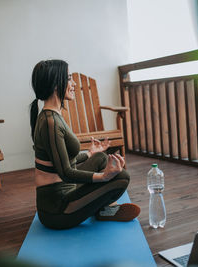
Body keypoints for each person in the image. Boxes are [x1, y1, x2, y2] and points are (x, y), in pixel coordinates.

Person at [29, 59, 140, 229]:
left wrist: (90, 153)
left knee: (101, 158)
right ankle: (102, 209)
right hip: (57, 210)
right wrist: (104, 177)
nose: (73, 83)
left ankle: (101, 207)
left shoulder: (52, 115)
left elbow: (62, 161)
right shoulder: (50, 122)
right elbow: (66, 172)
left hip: (65, 188)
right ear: (56, 84)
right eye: (69, 78)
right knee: (121, 177)